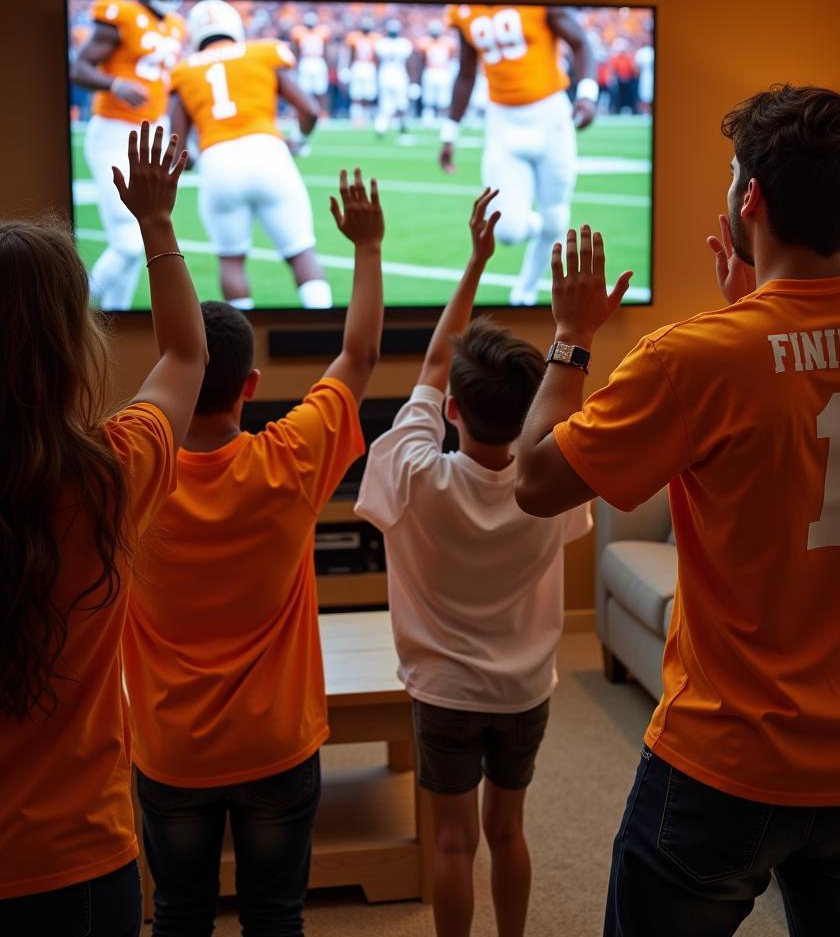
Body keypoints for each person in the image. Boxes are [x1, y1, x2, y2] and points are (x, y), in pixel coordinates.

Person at [514, 84, 840, 937]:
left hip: (725, 759)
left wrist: (570, 336)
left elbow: (536, 482)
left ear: (751, 200)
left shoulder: (695, 357)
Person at [121, 167, 383, 936]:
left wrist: (156, 224)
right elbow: (360, 356)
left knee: (177, 914)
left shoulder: (130, 475)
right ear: (251, 383)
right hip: (275, 745)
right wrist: (366, 248)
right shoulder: (291, 459)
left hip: (169, 749)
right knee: (277, 918)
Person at [355, 188, 591, 937]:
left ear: (452, 409)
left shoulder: (415, 469)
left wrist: (475, 260)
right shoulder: (550, 484)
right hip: (522, 690)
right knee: (508, 832)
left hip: (443, 692)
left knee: (452, 841)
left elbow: (432, 361)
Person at [0, 122, 206, 934]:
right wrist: (157, 223)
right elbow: (186, 355)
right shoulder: (111, 472)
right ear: (68, 344)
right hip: (75, 859)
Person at [170, 0, 332, 311]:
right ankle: (324, 328)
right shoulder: (262, 51)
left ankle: (241, 352)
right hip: (268, 152)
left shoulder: (184, 70)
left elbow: (178, 151)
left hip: (217, 161)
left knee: (231, 260)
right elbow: (310, 109)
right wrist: (297, 139)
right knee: (301, 253)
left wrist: (191, 162)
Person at [439, 5, 598, 306]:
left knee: (555, 211)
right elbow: (465, 73)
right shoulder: (463, 10)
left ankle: (523, 293)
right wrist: (449, 133)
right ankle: (549, 228)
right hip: (501, 122)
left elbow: (580, 42)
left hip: (551, 116)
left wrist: (587, 94)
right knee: (508, 230)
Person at [70, 0, 186, 309]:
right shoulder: (121, 12)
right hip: (114, 131)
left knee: (140, 241)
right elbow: (79, 67)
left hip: (153, 133)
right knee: (129, 242)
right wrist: (115, 84)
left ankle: (113, 321)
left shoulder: (176, 25)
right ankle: (75, 312)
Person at [374, 18, 414, 137]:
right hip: (395, 74)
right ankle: (398, 125)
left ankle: (384, 127)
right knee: (396, 103)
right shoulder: (401, 44)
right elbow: (410, 64)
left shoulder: (383, 43)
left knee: (393, 103)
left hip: (388, 74)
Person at [292, 10, 332, 116]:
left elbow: (326, 50)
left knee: (321, 89)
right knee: (304, 90)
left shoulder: (322, 32)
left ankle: (323, 113)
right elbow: (296, 50)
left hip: (318, 60)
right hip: (306, 60)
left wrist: (328, 64)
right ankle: (304, 112)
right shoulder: (300, 32)